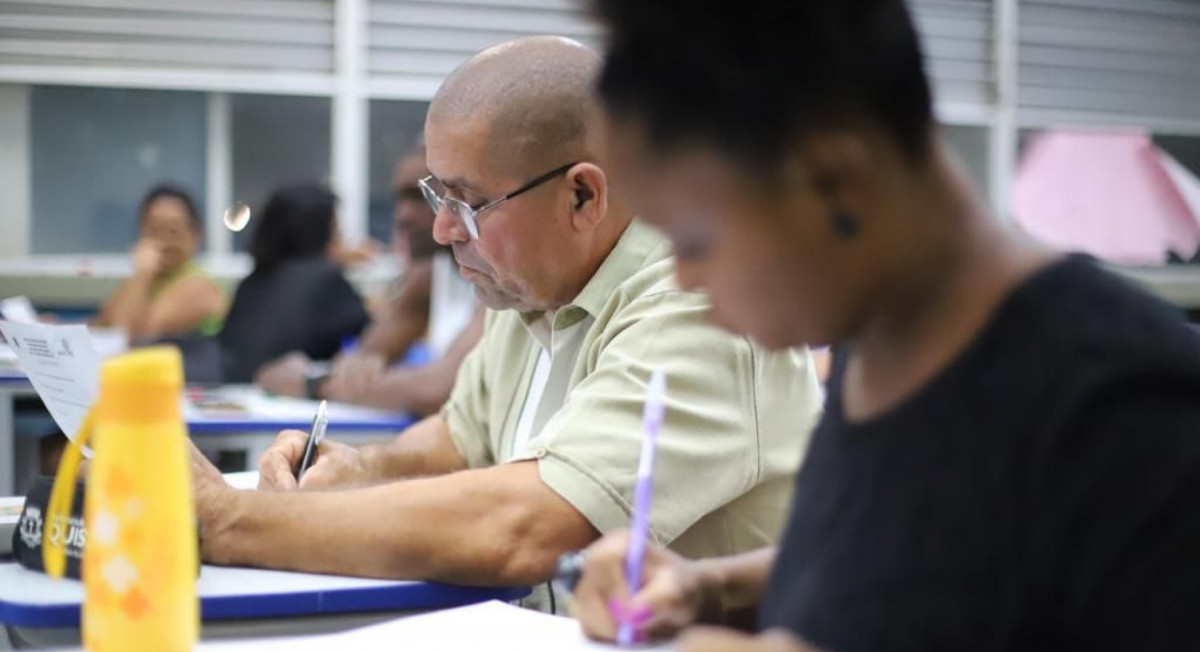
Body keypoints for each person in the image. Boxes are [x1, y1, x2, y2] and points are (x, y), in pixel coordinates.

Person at [569, 1, 1200, 652]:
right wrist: (712, 587)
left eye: (696, 238)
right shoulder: (873, 334)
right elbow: (939, 570)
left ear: (837, 182)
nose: (684, 277)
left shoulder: (1120, 405)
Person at [188, 36, 821, 598]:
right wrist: (359, 468)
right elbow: (461, 439)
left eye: (467, 201)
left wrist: (225, 520)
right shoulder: (531, 286)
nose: (441, 229)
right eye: (438, 195)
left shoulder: (703, 302)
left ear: (582, 195)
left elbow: (526, 529)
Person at [255, 146, 484, 415]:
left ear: (463, 196)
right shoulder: (429, 278)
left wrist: (312, 384)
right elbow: (358, 365)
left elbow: (439, 391)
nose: (402, 216)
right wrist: (337, 380)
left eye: (420, 196)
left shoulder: (504, 277)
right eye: (398, 200)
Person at [219, 185, 371, 383]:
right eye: (337, 235)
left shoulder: (252, 282)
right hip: (290, 398)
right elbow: (375, 336)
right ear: (321, 235)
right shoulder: (325, 279)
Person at [95, 184, 227, 340]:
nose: (164, 241)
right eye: (154, 230)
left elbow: (128, 338)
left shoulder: (199, 287)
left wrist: (141, 273)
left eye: (173, 231)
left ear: (195, 236)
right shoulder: (147, 279)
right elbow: (100, 326)